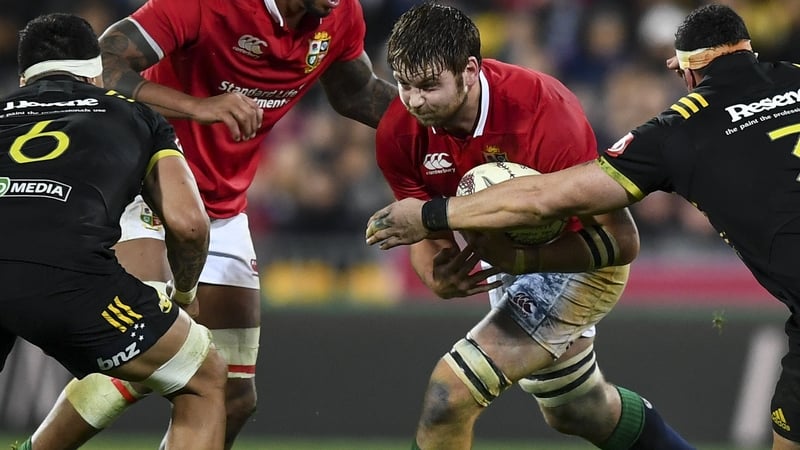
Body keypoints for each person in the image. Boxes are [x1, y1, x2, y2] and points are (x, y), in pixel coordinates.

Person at [367, 3, 800, 450]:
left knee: (449, 396)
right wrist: (436, 270)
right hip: (512, 253)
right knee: (576, 408)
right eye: (404, 86)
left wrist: (460, 227)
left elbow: (610, 232)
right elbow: (425, 235)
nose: (414, 100)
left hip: (577, 257)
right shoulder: (400, 129)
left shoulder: (556, 113)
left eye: (428, 86)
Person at [29, 0, 397, 449]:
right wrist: (197, 107)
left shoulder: (340, 15)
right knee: (144, 357)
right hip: (146, 185)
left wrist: (441, 120)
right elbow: (105, 64)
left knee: (234, 397)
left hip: (222, 207)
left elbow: (356, 92)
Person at [1, 13, 226, 450]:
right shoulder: (137, 116)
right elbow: (189, 224)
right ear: (97, 74)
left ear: (23, 78)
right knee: (204, 376)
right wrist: (183, 295)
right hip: (68, 279)